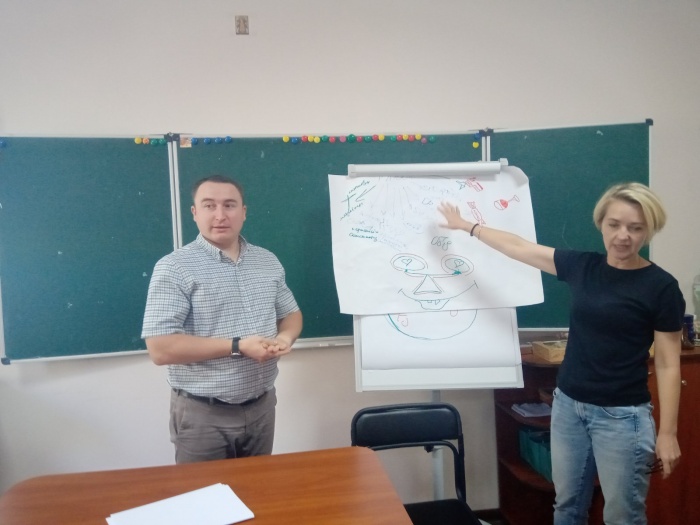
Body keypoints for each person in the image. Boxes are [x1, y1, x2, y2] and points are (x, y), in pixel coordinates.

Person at [438, 182, 685, 525]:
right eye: (614, 224)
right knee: (567, 506)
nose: (623, 236)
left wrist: (668, 433)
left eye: (635, 228)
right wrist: (467, 226)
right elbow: (518, 247)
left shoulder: (661, 287)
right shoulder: (582, 266)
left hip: (622, 417)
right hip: (568, 407)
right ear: (601, 223)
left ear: (649, 230)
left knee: (623, 516)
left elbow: (669, 363)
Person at [142, 174, 303, 464]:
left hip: (262, 407)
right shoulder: (174, 267)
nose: (220, 215)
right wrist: (238, 346)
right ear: (195, 212)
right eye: (209, 205)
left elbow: (291, 313)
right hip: (203, 416)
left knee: (258, 488)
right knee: (205, 493)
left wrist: (284, 338)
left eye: (229, 205)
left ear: (243, 212)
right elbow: (160, 348)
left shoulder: (267, 261)